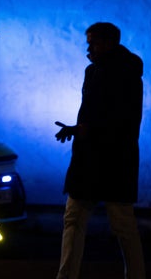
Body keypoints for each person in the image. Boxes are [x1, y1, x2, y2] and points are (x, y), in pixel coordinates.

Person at [54, 22, 146, 279]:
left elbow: (119, 119)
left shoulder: (113, 73)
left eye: (92, 42)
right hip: (111, 160)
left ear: (108, 43)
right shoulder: (112, 71)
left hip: (106, 159)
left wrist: (84, 130)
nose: (88, 47)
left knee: (85, 221)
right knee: (117, 224)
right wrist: (82, 129)